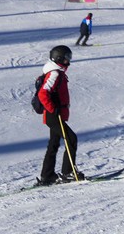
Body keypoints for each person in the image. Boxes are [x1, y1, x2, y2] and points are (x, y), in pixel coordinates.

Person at [36, 44, 80, 185]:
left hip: (55, 114)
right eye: (67, 57)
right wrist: (53, 109)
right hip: (53, 115)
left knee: (54, 143)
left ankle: (47, 175)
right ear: (58, 58)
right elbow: (43, 93)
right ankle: (68, 173)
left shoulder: (57, 73)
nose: (69, 60)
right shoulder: (54, 73)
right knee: (71, 139)